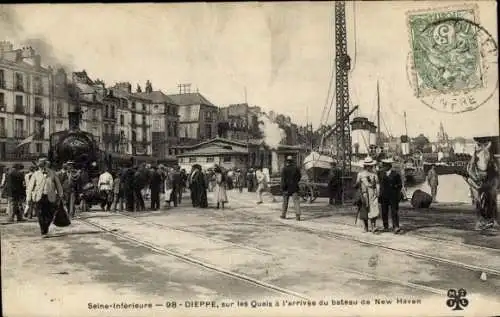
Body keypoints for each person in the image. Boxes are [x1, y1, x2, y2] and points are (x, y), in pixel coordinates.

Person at [26, 157, 64, 236]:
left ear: (46, 165)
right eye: (40, 166)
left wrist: (60, 195)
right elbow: (30, 187)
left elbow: (58, 185)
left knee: (50, 214)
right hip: (38, 197)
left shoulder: (52, 173)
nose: (42, 168)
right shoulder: (35, 174)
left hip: (50, 196)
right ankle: (43, 231)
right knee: (40, 214)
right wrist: (29, 198)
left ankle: (45, 226)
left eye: (43, 166)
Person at [355, 157, 380, 233]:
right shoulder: (360, 174)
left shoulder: (374, 174)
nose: (370, 167)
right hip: (364, 194)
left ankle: (373, 226)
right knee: (364, 209)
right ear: (365, 166)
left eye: (371, 165)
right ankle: (365, 227)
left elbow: (377, 183)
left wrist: (378, 192)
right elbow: (357, 184)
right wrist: (359, 184)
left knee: (374, 209)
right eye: (368, 165)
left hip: (372, 193)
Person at [378, 158, 403, 233]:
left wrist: (395, 188)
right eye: (383, 165)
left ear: (389, 166)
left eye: (385, 166)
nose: (383, 167)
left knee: (394, 211)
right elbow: (378, 183)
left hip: (393, 195)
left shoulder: (395, 174)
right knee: (384, 211)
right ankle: (385, 226)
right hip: (383, 195)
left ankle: (396, 226)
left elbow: (400, 185)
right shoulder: (380, 174)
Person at [280, 156, 302, 221]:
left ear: (287, 161)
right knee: (296, 201)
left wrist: (282, 187)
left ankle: (283, 215)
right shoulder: (296, 168)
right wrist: (295, 182)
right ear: (292, 161)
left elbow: (283, 180)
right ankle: (298, 216)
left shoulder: (284, 169)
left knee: (285, 202)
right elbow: (299, 177)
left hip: (286, 188)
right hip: (294, 187)